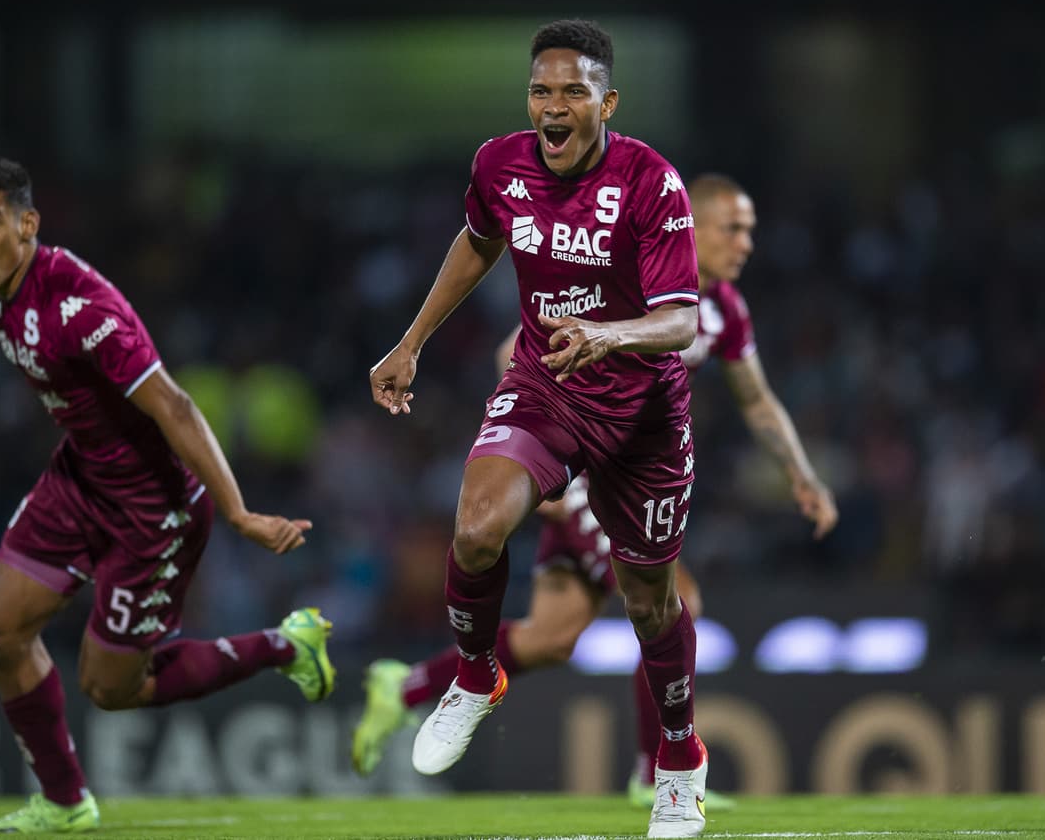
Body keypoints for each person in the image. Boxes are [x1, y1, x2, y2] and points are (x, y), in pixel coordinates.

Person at [0, 156, 335, 834]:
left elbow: (176, 406)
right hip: (79, 480)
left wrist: (239, 513)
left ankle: (286, 645)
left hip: (154, 509)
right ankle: (66, 802)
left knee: (110, 688)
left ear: (28, 224)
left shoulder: (81, 307)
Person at [354, 175, 837, 814]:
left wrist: (802, 474)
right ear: (691, 222)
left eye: (749, 229)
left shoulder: (724, 310)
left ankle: (409, 687)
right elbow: (514, 351)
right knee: (676, 598)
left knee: (552, 638)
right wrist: (537, 460)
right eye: (731, 227)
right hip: (577, 467)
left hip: (630, 469)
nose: (744, 242)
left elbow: (757, 400)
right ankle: (652, 767)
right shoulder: (631, 263)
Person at [369, 20, 707, 839]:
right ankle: (475, 676)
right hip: (548, 388)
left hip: (644, 419)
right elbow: (478, 242)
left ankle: (678, 759)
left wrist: (609, 335)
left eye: (573, 93)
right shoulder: (500, 164)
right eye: (541, 91)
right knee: (478, 528)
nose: (553, 108)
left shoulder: (651, 182)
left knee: (650, 604)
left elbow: (682, 322)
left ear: (606, 102)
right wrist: (411, 342)